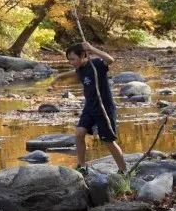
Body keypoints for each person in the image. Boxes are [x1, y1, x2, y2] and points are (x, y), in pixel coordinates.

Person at [54, 41, 128, 175]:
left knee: (108, 141)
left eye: (73, 59)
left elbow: (110, 60)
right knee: (79, 134)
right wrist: (60, 76)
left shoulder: (96, 65)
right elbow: (76, 72)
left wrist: (92, 48)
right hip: (89, 108)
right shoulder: (81, 68)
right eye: (69, 60)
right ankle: (82, 166)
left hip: (103, 108)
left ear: (83, 55)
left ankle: (124, 170)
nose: (71, 62)